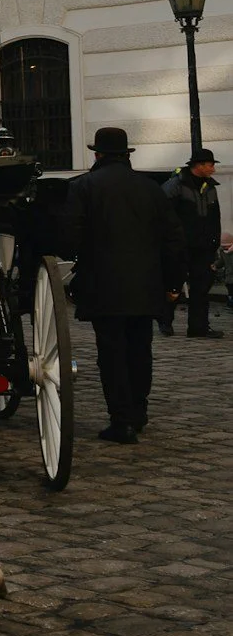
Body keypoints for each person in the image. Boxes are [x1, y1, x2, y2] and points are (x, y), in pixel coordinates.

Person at [60, 125, 187, 443]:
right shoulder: (150, 188)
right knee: (140, 351)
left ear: (97, 154)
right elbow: (173, 239)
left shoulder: (84, 186)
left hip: (104, 286)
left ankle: (121, 420)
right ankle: (138, 412)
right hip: (146, 285)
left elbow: (70, 237)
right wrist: (173, 283)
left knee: (112, 353)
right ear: (126, 154)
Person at [161, 149, 223, 337]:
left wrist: (214, 241)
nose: (213, 168)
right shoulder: (176, 185)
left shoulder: (210, 187)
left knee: (201, 288)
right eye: (210, 164)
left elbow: (215, 217)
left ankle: (199, 327)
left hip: (203, 246)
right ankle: (165, 322)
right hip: (180, 246)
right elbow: (163, 214)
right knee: (173, 285)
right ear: (200, 165)